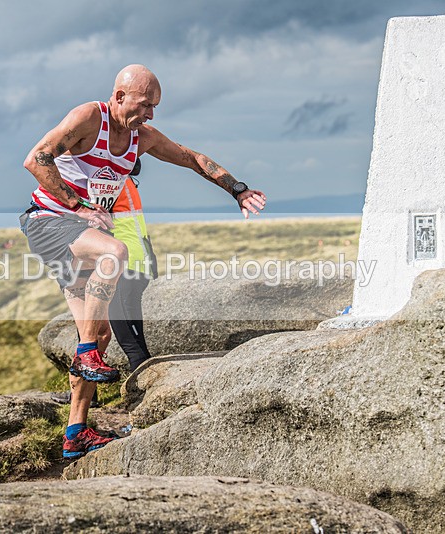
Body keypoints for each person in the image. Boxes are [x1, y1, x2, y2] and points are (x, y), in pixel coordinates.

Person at [20, 64, 266, 459]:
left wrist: (237, 189)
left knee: (98, 333)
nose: (149, 114)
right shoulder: (89, 117)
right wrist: (80, 206)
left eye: (154, 107)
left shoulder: (142, 137)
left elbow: (192, 158)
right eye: (145, 104)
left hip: (79, 233)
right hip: (49, 221)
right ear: (120, 96)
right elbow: (36, 159)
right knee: (115, 252)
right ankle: (86, 354)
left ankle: (75, 432)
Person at [50, 157, 155, 408]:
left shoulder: (107, 182)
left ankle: (149, 400)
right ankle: (87, 395)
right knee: (89, 329)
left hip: (126, 264)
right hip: (121, 261)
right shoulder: (117, 179)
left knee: (130, 341)